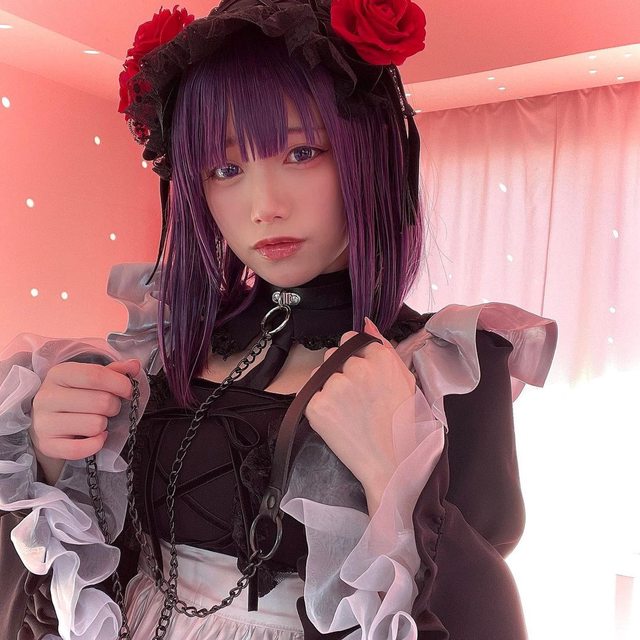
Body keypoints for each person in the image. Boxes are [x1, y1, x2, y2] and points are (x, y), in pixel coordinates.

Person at [0, 1, 558, 639]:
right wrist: (50, 464)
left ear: (372, 154)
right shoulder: (161, 348)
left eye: (302, 152)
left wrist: (396, 480)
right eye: (226, 169)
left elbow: (480, 611)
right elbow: (85, 574)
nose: (264, 206)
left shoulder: (448, 368)